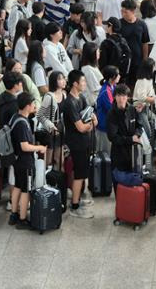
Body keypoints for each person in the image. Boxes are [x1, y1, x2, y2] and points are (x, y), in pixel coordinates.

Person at [8, 92, 46, 229]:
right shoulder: (23, 124)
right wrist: (39, 147)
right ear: (28, 106)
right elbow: (24, 146)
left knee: (18, 186)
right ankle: (23, 219)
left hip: (17, 160)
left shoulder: (15, 118)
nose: (35, 106)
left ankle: (14, 214)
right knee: (26, 190)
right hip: (25, 162)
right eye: (33, 104)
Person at [64, 70, 98, 218]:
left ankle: (78, 199)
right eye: (82, 82)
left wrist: (90, 123)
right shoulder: (69, 103)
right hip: (76, 143)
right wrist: (89, 125)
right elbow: (80, 127)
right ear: (75, 84)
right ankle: (75, 206)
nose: (85, 84)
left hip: (85, 142)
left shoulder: (81, 98)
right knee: (79, 174)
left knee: (83, 172)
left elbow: (92, 117)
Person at [107, 84, 142, 175]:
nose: (121, 99)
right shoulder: (111, 114)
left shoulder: (132, 109)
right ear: (114, 97)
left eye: (123, 96)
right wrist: (130, 139)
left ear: (128, 97)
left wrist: (137, 135)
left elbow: (139, 126)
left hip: (133, 152)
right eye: (118, 95)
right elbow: (112, 137)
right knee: (119, 181)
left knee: (132, 179)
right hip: (119, 153)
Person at [119, 0, 150, 85]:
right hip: (123, 60)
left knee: (135, 83)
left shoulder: (142, 24)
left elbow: (145, 42)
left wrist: (145, 59)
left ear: (133, 11)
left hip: (137, 60)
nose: (123, 14)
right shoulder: (119, 24)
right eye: (122, 11)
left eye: (126, 12)